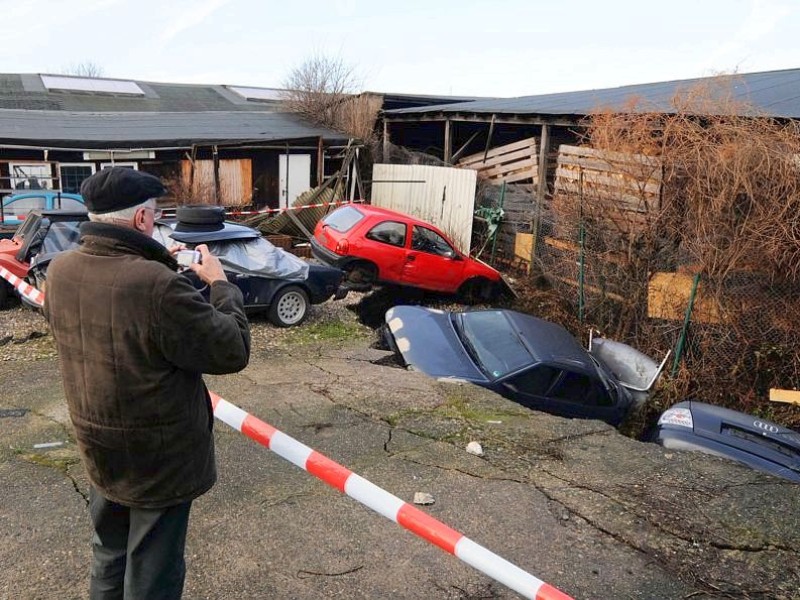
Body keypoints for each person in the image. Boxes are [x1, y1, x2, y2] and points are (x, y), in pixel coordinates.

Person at [44, 167, 251, 600]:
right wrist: (220, 285)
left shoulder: (60, 271)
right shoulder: (156, 285)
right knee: (153, 572)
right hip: (158, 458)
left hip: (98, 443)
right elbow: (230, 350)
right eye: (156, 217)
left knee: (109, 554)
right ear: (141, 220)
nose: (157, 225)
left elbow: (123, 327)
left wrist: (172, 278)